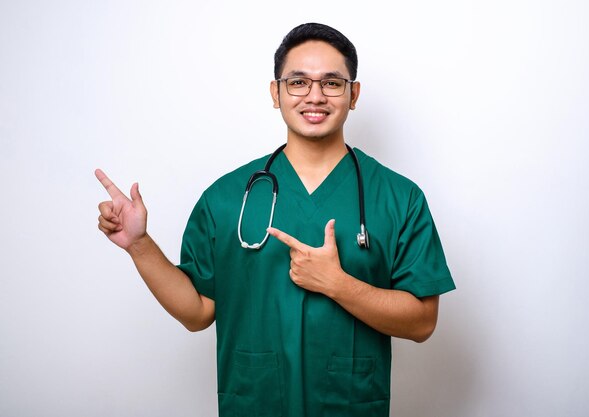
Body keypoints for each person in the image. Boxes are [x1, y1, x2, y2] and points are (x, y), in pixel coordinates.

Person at [96, 22, 455, 417]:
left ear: (353, 95)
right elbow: (197, 311)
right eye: (298, 82)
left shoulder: (398, 198)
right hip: (257, 403)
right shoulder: (228, 197)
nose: (314, 96)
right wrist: (139, 245)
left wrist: (337, 284)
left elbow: (422, 323)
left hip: (348, 406)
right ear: (276, 92)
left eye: (332, 83)